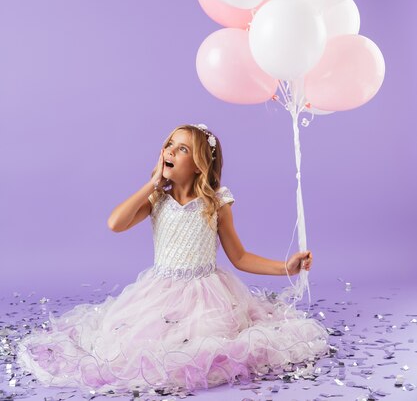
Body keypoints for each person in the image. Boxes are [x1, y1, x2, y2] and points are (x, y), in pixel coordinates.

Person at [16, 123, 330, 395]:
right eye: (169, 144)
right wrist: (153, 182)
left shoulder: (216, 201)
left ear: (198, 164)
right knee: (140, 346)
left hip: (206, 296)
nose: (170, 151)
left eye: (181, 149)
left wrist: (284, 267)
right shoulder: (157, 198)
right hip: (160, 293)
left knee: (204, 346)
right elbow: (115, 223)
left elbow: (240, 256)